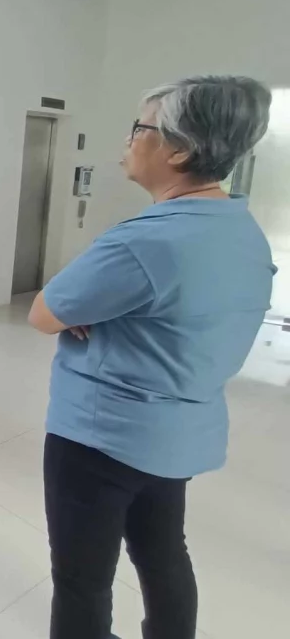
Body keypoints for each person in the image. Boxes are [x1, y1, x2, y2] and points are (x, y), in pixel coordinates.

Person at [28, 76, 275, 639]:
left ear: (179, 150)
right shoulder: (241, 231)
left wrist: (88, 311)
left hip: (101, 438)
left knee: (82, 580)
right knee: (163, 554)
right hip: (177, 437)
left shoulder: (145, 241)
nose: (128, 138)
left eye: (139, 127)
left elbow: (44, 313)